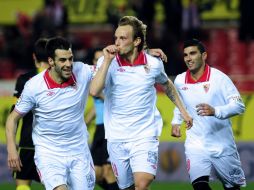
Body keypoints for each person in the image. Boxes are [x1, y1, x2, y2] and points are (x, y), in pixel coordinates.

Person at [90, 16, 193, 190]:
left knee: (142, 183)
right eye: (116, 38)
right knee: (127, 187)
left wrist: (183, 111)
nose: (117, 42)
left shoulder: (153, 64)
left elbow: (167, 85)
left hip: (145, 134)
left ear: (137, 41)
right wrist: (107, 61)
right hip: (116, 136)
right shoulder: (106, 62)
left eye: (123, 38)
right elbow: (94, 90)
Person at [6, 36, 96, 190]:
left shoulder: (82, 70)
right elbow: (12, 118)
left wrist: (145, 53)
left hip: (79, 151)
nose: (68, 64)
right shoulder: (34, 86)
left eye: (70, 59)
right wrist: (11, 148)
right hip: (48, 153)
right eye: (62, 60)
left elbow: (113, 63)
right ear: (51, 61)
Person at [171, 38, 246, 190]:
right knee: (199, 186)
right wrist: (175, 122)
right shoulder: (179, 80)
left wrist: (216, 111)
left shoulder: (219, 78)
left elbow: (239, 105)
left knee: (232, 187)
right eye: (185, 55)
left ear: (204, 56)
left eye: (192, 53)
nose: (188, 58)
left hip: (222, 144)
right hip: (195, 143)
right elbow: (180, 104)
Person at [11, 38, 48, 190]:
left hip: (27, 142)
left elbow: (14, 115)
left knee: (22, 186)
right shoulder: (59, 79)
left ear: (34, 56)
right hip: (51, 144)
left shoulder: (24, 80)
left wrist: (12, 146)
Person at [85, 48, 119, 190]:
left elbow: (118, 102)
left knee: (108, 171)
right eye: (96, 59)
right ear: (93, 62)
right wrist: (83, 123)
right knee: (96, 174)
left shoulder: (113, 77)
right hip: (99, 129)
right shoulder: (94, 79)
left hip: (110, 127)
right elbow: (96, 107)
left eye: (102, 59)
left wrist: (100, 94)